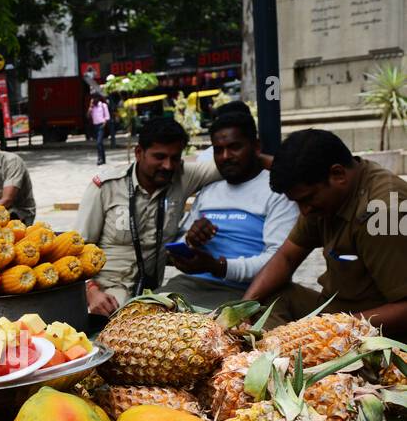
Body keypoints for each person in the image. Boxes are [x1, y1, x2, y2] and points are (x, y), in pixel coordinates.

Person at [243, 129, 407, 337]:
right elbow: (286, 257)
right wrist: (243, 307)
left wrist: (330, 331)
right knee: (267, 295)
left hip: (378, 330)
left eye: (307, 199)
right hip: (335, 311)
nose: (304, 210)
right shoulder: (322, 201)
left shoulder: (384, 210)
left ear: (338, 174)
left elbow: (404, 309)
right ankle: (274, 354)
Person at [77, 118, 220, 317]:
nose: (168, 166)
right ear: (139, 153)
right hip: (105, 293)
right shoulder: (106, 187)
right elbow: (76, 250)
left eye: (175, 157)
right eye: (159, 157)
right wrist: (90, 291)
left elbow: (228, 162)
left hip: (151, 297)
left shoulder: (182, 175)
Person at [161, 108, 297, 309]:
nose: (225, 156)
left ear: (256, 147)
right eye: (218, 149)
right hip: (192, 284)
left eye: (234, 147)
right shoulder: (209, 190)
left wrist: (219, 267)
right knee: (135, 316)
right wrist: (190, 240)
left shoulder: (276, 191)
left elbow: (278, 260)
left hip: (248, 292)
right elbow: (180, 243)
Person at [87, 91, 111, 166]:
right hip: (95, 126)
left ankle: (99, 158)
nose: (94, 99)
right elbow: (88, 116)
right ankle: (103, 158)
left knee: (99, 143)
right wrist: (90, 107)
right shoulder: (92, 107)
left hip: (101, 125)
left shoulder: (103, 105)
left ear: (98, 98)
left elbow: (107, 116)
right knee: (100, 144)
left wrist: (104, 124)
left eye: (95, 98)